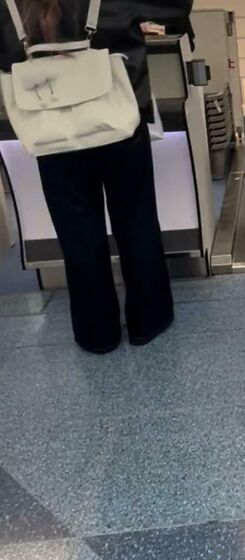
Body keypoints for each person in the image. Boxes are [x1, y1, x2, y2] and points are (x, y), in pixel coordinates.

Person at [0, 0, 193, 353]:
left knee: (77, 236)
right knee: (136, 223)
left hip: (50, 131)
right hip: (117, 123)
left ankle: (96, 334)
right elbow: (176, 8)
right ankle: (148, 321)